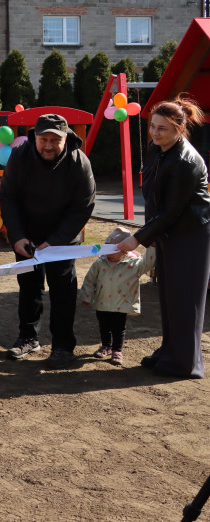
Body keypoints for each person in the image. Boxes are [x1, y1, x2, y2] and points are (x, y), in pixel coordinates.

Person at [116, 96, 210, 379]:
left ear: (180, 128)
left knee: (186, 298)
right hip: (168, 232)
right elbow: (157, 201)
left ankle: (185, 363)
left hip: (191, 235)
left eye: (163, 129)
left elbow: (172, 212)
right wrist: (152, 235)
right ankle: (170, 351)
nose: (155, 133)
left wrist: (138, 239)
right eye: (153, 127)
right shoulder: (159, 150)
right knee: (169, 295)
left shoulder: (184, 160)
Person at [0, 113, 96, 370]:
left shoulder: (79, 162)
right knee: (28, 286)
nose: (49, 145)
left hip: (62, 239)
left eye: (55, 139)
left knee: (63, 291)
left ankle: (63, 346)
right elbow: (7, 196)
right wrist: (17, 235)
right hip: (27, 237)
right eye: (44, 139)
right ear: (35, 138)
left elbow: (83, 207)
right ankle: (28, 337)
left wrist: (57, 241)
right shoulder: (20, 156)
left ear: (66, 139)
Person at [80, 228, 156, 366]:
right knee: (104, 326)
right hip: (102, 302)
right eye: (106, 250)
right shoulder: (100, 263)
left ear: (124, 250)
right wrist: (86, 296)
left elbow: (148, 263)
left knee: (118, 328)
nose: (108, 254)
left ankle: (117, 350)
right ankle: (106, 346)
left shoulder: (133, 265)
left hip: (121, 304)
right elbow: (90, 280)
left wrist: (152, 247)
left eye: (112, 250)